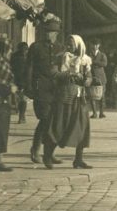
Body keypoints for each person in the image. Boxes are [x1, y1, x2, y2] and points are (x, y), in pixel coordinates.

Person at [44, 34, 93, 170]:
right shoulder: (60, 57)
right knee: (59, 126)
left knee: (82, 128)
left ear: (78, 45)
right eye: (68, 43)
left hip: (79, 98)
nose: (69, 46)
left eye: (71, 44)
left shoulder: (85, 60)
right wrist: (69, 74)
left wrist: (86, 80)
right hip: (64, 96)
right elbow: (53, 74)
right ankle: (47, 155)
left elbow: (89, 78)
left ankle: (78, 159)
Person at [26, 16, 62, 165]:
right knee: (45, 119)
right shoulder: (35, 47)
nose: (48, 34)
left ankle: (49, 152)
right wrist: (28, 87)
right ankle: (35, 149)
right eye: (47, 31)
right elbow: (29, 68)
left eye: (51, 32)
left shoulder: (61, 48)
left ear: (56, 34)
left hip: (56, 89)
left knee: (54, 121)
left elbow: (62, 68)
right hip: (41, 88)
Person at [0, 38, 15, 171]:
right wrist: (9, 89)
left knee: (0, 133)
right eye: (7, 49)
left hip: (3, 104)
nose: (9, 51)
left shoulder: (4, 63)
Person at [8, 42, 28, 124]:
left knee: (22, 98)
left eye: (25, 49)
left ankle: (21, 116)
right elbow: (10, 67)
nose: (24, 50)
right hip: (16, 80)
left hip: (24, 80)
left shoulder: (28, 56)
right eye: (23, 49)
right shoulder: (14, 56)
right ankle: (20, 115)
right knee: (19, 98)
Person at [88, 40, 108, 118]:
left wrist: (94, 62)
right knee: (92, 95)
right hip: (92, 76)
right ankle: (94, 113)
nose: (95, 46)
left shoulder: (102, 55)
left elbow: (104, 64)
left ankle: (101, 112)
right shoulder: (89, 54)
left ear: (99, 45)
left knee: (102, 96)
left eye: (96, 45)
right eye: (94, 44)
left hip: (101, 77)